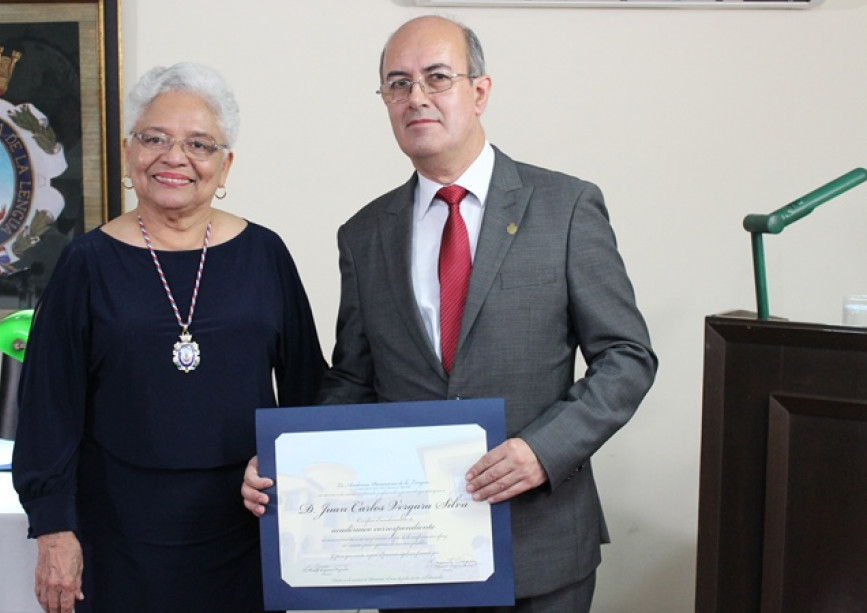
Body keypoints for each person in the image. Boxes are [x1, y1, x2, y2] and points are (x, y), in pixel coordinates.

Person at [242, 15, 657, 613]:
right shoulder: (364, 234)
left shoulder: (565, 207)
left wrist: (543, 450)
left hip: (540, 547)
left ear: (480, 91)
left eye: (437, 77)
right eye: (398, 84)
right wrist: (290, 461)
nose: (416, 97)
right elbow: (355, 378)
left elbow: (627, 358)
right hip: (411, 555)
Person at [13, 61, 327, 613]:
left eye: (199, 144)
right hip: (117, 535)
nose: (174, 157)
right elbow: (47, 410)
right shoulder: (85, 263)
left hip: (249, 526)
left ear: (225, 164)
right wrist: (54, 531)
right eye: (154, 138)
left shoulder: (265, 255)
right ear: (130, 152)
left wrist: (305, 479)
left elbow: (310, 389)